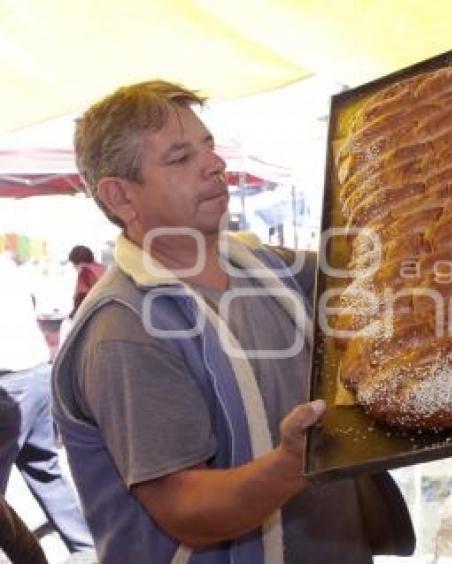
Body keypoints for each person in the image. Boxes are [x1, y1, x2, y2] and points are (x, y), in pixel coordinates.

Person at [52, 81, 413, 563]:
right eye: (180, 158)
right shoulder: (124, 331)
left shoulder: (257, 264)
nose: (214, 164)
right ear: (120, 197)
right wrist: (291, 463)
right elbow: (185, 509)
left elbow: (371, 265)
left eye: (209, 147)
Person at [0, 252, 94, 555]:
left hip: (10, 383)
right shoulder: (9, 264)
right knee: (46, 471)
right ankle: (87, 547)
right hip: (37, 375)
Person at [66, 245, 106, 318]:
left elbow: (80, 297)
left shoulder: (85, 272)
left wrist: (72, 316)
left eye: (73, 265)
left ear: (76, 263)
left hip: (96, 313)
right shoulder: (102, 268)